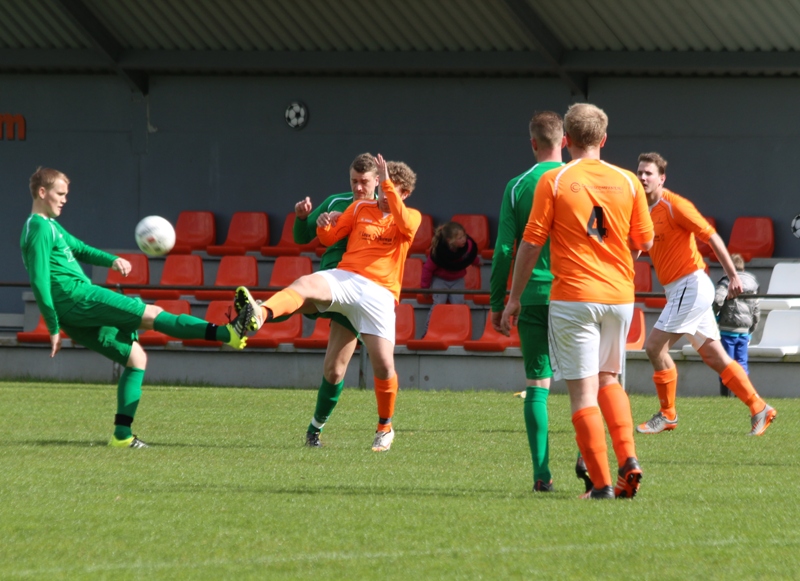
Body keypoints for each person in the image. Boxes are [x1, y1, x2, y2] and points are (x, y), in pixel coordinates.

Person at [20, 167, 252, 448]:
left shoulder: (49, 226)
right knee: (152, 314)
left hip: (73, 311)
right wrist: (52, 326)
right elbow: (39, 279)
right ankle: (228, 333)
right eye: (60, 193)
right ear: (42, 192)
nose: (65, 199)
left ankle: (122, 436)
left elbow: (79, 248)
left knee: (136, 358)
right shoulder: (39, 228)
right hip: (78, 298)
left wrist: (112, 260)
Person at [501, 103, 654, 500]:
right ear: (604, 139)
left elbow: (531, 243)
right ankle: (628, 459)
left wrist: (514, 298)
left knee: (583, 393)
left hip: (573, 297)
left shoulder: (555, 180)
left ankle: (601, 485)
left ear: (566, 139)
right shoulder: (629, 181)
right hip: (619, 296)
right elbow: (644, 241)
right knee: (609, 379)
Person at [236, 154, 420, 452]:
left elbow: (403, 219)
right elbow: (329, 236)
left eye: (390, 190)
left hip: (380, 293)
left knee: (378, 366)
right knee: (305, 284)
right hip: (346, 278)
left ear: (403, 194)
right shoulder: (358, 207)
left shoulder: (411, 216)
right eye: (356, 181)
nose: (384, 196)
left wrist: (386, 184)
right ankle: (260, 312)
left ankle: (384, 427)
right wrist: (323, 223)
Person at [635, 153, 776, 435]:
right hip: (681, 290)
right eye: (639, 172)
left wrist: (733, 276)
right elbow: (637, 246)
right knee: (714, 357)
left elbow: (711, 236)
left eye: (648, 173)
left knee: (654, 347)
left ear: (662, 178)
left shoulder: (675, 205)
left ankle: (668, 414)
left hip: (690, 285)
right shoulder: (640, 210)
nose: (642, 177)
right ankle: (759, 407)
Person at [489, 110, 565, 492]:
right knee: (590, 383)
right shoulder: (580, 179)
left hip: (533, 295)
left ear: (533, 143)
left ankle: (542, 475)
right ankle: (591, 460)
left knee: (537, 383)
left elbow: (505, 249)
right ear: (564, 141)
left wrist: (499, 302)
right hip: (578, 293)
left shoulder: (517, 186)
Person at [290, 153, 378, 447]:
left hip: (358, 291)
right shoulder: (335, 202)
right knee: (299, 296)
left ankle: (314, 430)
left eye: (364, 182)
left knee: (335, 369)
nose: (358, 187)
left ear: (377, 181)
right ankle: (257, 315)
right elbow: (302, 237)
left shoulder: (386, 210)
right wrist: (304, 217)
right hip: (330, 279)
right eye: (354, 181)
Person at [420, 221, 480, 335]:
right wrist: (425, 288)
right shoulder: (438, 253)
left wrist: (476, 262)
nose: (464, 239)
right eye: (460, 238)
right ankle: (427, 332)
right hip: (440, 280)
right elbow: (427, 269)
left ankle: (459, 332)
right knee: (439, 304)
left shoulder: (466, 248)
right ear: (449, 240)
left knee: (459, 305)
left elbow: (469, 256)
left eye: (464, 236)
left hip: (457, 280)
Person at [714, 253, 760, 397]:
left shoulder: (726, 281)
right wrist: (751, 329)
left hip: (727, 330)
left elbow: (717, 300)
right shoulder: (752, 284)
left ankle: (725, 394)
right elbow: (756, 310)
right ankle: (743, 394)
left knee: (726, 363)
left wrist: (714, 317)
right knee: (742, 363)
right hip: (744, 331)